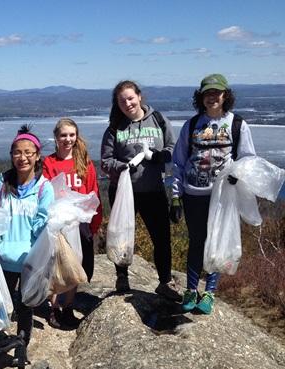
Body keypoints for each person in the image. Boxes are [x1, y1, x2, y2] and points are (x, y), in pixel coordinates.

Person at [171, 74, 256, 314]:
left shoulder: (237, 124)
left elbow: (248, 158)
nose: (212, 97)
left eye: (216, 93)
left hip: (222, 195)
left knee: (217, 240)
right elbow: (178, 162)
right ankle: (190, 289)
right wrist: (176, 197)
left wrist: (237, 175)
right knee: (197, 241)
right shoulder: (191, 125)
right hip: (193, 193)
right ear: (201, 97)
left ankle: (209, 292)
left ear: (225, 95)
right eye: (207, 93)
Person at [100, 80, 181, 301]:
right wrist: (122, 166)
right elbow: (106, 161)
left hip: (153, 189)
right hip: (123, 190)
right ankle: (122, 277)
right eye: (122, 101)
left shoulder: (158, 120)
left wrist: (156, 156)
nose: (127, 103)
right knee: (122, 235)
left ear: (139, 96)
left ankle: (165, 282)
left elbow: (173, 150)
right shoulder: (115, 127)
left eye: (130, 98)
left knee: (161, 238)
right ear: (117, 104)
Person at [0, 125, 54, 367]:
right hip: (1, 255)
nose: (22, 157)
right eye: (17, 152)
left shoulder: (44, 188)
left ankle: (21, 348)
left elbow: (43, 225)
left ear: (37, 156)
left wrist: (36, 255)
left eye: (28, 152)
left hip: (29, 258)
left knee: (25, 305)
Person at [43, 118, 102, 328]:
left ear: (76, 136)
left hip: (81, 221)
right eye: (63, 135)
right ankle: (55, 307)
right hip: (59, 222)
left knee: (76, 265)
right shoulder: (49, 163)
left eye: (71, 135)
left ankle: (68, 307)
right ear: (56, 138)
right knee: (57, 266)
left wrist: (94, 222)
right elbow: (48, 193)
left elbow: (92, 191)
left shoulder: (84, 162)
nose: (67, 139)